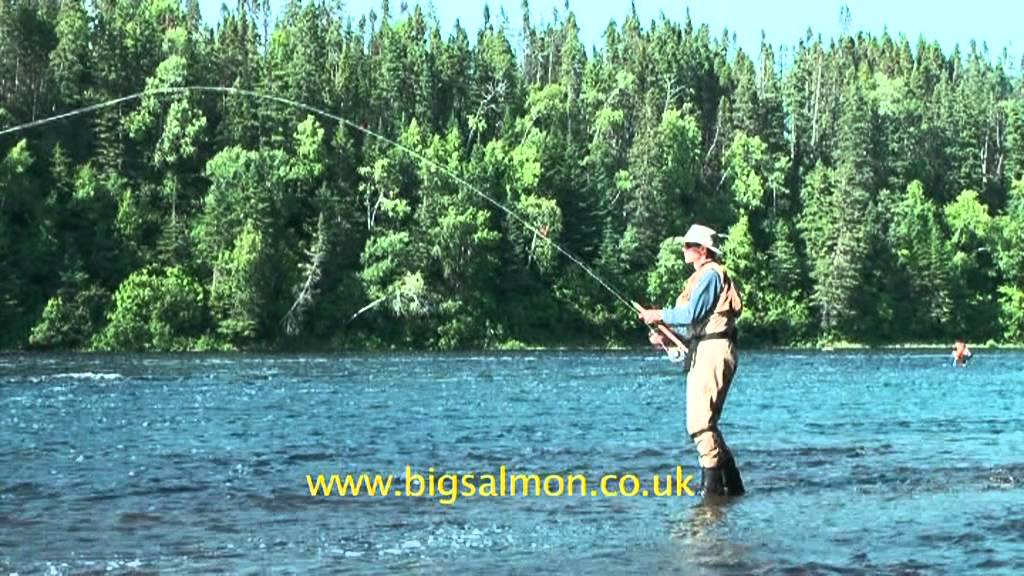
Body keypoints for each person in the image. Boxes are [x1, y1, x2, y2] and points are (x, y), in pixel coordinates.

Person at [638, 224, 745, 500]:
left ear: (702, 250)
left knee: (700, 423)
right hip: (706, 348)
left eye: (688, 246)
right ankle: (731, 489)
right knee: (707, 423)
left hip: (713, 350)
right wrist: (663, 335)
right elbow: (695, 324)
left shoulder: (710, 275)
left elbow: (691, 312)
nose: (683, 250)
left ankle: (710, 493)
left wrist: (657, 314)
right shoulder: (703, 277)